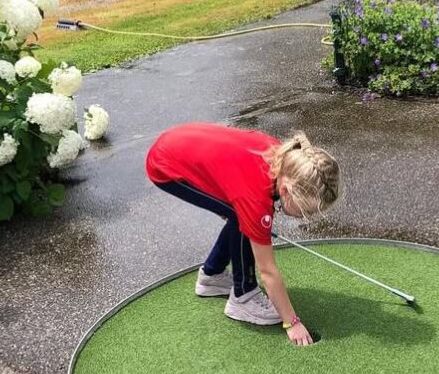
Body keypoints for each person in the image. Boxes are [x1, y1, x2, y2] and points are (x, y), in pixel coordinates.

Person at [145, 122, 340, 346]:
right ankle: (243, 296)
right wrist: (291, 322)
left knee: (241, 214)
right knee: (243, 217)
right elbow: (268, 271)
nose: (305, 216)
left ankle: (211, 276)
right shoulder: (256, 198)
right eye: (304, 210)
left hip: (178, 144)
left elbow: (232, 174)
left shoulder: (286, 158)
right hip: (166, 165)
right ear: (285, 190)